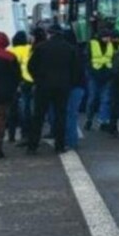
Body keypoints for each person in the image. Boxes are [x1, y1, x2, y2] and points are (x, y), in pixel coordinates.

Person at [27, 24, 78, 154]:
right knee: (60, 115)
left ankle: (33, 145)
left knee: (38, 116)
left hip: (43, 85)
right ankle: (59, 145)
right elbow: (75, 69)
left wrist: (37, 79)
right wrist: (69, 82)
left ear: (50, 34)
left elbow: (31, 66)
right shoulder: (69, 49)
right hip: (62, 86)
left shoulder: (41, 48)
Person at [85, 29, 115, 131]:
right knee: (92, 99)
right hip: (94, 75)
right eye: (106, 37)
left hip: (106, 76)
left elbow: (112, 58)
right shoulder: (92, 44)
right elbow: (87, 59)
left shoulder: (110, 45)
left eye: (109, 37)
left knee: (105, 100)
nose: (108, 39)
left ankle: (103, 121)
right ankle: (89, 119)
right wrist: (90, 72)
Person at [8, 31, 33, 144]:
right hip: (30, 82)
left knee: (13, 110)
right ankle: (28, 133)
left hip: (15, 83)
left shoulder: (10, 51)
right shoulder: (29, 48)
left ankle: (12, 135)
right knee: (28, 109)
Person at [63, 30, 87, 149]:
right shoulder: (79, 52)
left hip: (70, 86)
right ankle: (72, 140)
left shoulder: (67, 52)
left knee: (69, 114)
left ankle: (70, 141)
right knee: (72, 114)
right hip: (80, 86)